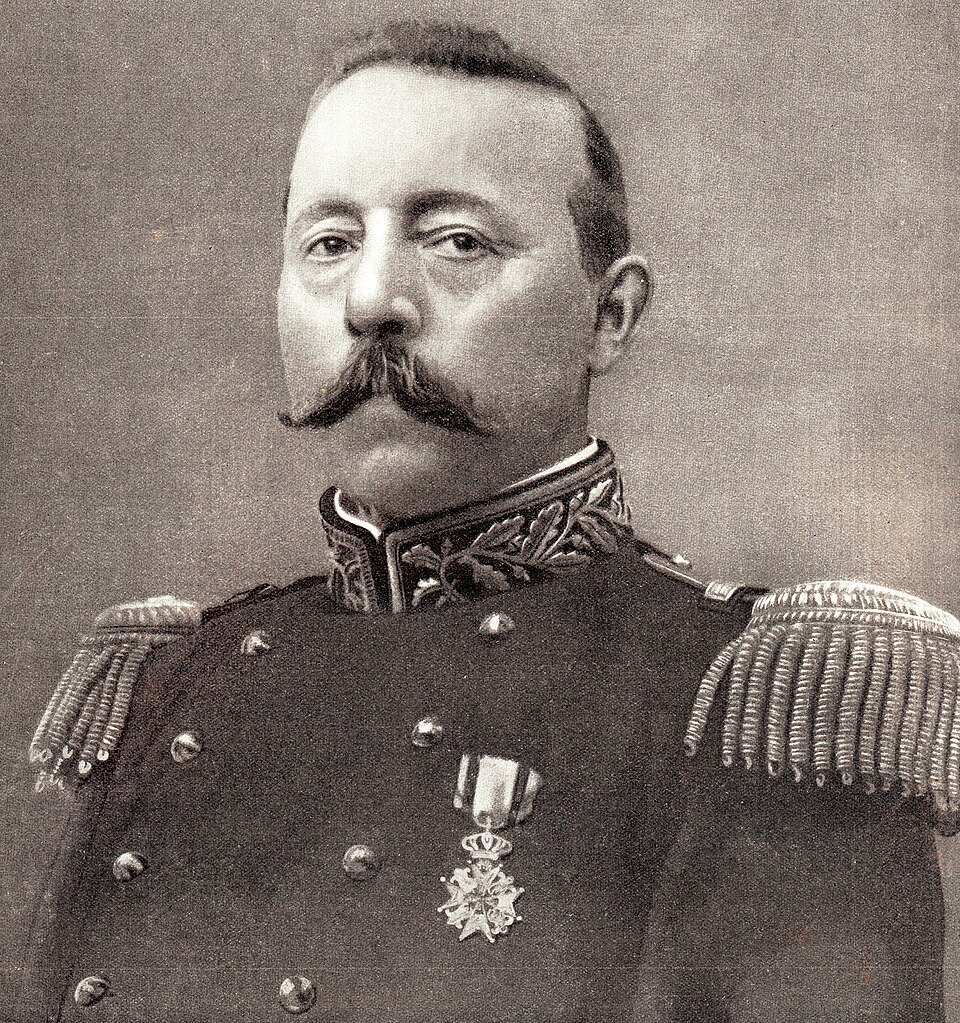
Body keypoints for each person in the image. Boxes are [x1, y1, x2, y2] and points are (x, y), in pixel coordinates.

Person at [18, 19, 959, 1023]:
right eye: (330, 244)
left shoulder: (762, 717)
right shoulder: (170, 685)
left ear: (610, 316)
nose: (372, 300)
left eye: (457, 242)